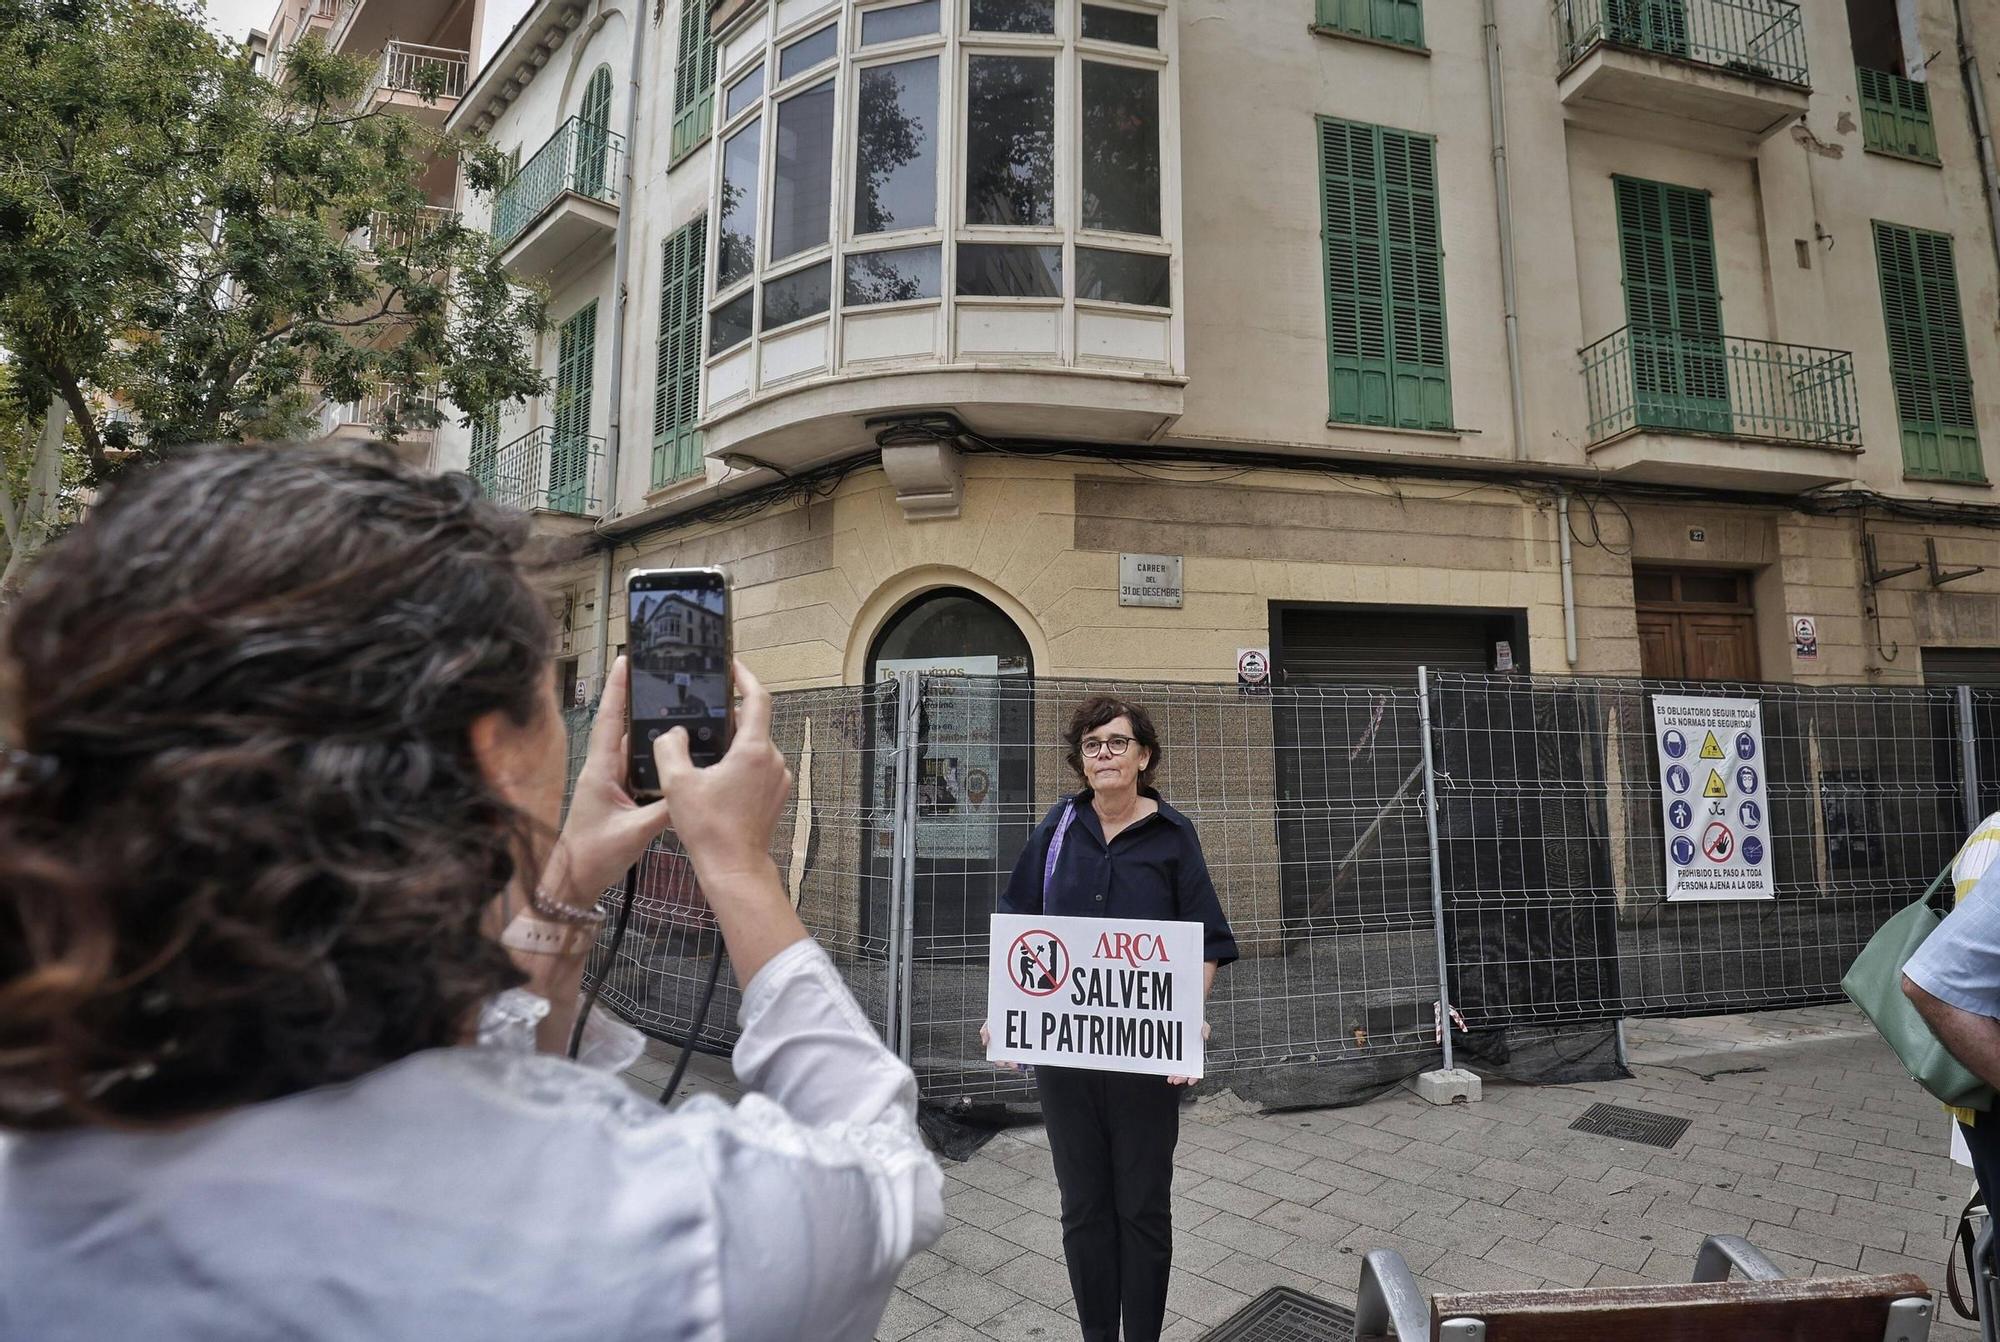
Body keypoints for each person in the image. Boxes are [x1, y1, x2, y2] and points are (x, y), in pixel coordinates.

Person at [0, 443, 942, 1341]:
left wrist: (563, 883)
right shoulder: (675, 1234)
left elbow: (484, 1057)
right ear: (492, 753)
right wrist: (738, 866)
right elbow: (882, 1165)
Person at [981, 696, 1237, 1342]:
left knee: (1142, 1208)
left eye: (1118, 743)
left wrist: (1188, 1017)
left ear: (1143, 756)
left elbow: (1205, 941)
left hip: (1144, 1058)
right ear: (1081, 760)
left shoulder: (1173, 836)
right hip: (1066, 1058)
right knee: (1083, 1207)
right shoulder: (1058, 827)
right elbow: (1019, 922)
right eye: (1093, 745)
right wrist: (1004, 1011)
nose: (1104, 755)